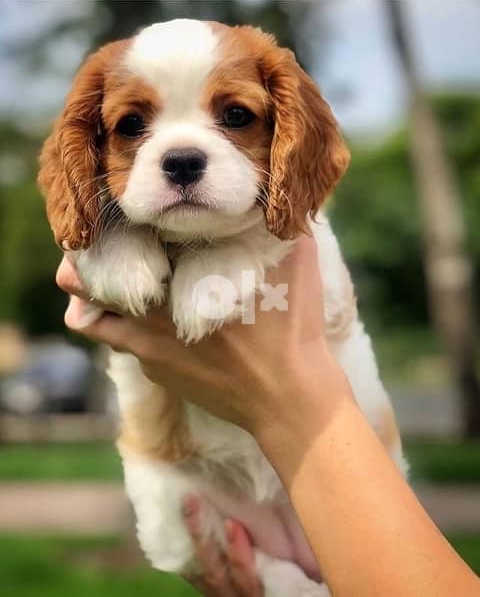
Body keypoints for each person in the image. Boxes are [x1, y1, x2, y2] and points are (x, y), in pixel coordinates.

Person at [57, 236, 480, 597]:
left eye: (236, 130)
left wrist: (287, 401)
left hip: (332, 498)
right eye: (131, 131)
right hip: (216, 510)